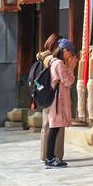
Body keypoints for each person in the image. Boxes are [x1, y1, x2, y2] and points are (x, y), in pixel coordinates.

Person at [44, 39, 77, 168]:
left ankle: (50, 157)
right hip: (58, 101)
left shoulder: (55, 63)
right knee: (54, 129)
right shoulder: (59, 64)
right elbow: (67, 81)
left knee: (54, 128)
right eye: (71, 53)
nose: (71, 56)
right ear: (65, 51)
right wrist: (71, 69)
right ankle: (50, 158)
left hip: (56, 100)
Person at [36, 34, 64, 164]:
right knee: (53, 126)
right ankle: (52, 155)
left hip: (44, 94)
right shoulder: (52, 60)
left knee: (46, 125)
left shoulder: (42, 56)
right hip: (52, 95)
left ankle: (45, 155)